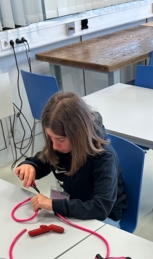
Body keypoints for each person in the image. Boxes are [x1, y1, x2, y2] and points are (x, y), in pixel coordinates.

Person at [14, 91, 127, 223]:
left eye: (60, 140)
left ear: (77, 134)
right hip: (74, 206)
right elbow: (42, 160)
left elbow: (100, 208)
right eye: (51, 138)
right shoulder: (62, 147)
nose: (55, 146)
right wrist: (30, 165)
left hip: (104, 217)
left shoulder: (104, 158)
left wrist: (53, 204)